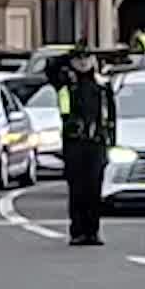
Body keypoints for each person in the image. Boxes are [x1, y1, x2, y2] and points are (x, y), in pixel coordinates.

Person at [52, 48, 116, 246]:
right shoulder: (67, 84)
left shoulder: (102, 85)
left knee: (94, 190)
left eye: (86, 58)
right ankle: (78, 231)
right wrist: (67, 56)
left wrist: (111, 144)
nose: (83, 63)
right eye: (78, 59)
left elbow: (111, 116)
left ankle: (93, 231)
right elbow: (50, 69)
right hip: (74, 144)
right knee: (77, 190)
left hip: (96, 143)